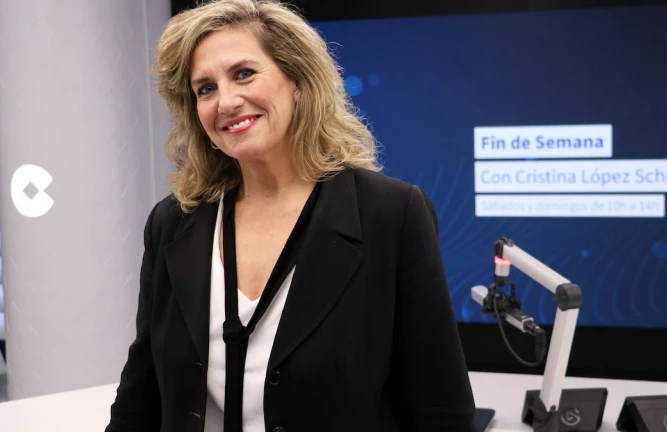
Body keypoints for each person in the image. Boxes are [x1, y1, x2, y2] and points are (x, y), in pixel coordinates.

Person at [106, 0, 476, 431]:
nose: (226, 101)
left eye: (244, 74)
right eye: (205, 89)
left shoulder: (392, 214)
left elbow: (441, 408)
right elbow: (141, 392)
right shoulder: (172, 222)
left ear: (297, 79)